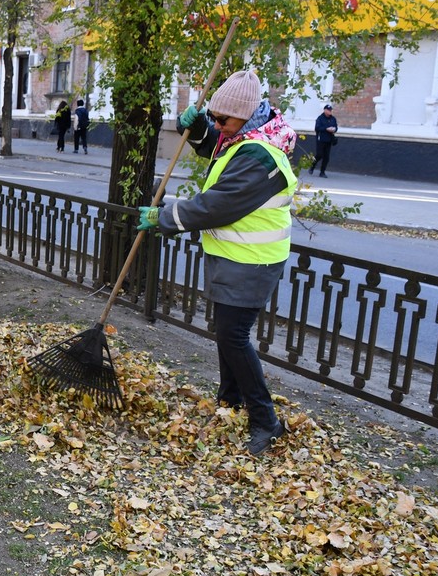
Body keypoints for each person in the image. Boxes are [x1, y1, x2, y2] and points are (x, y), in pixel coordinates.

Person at [138, 70, 298, 456]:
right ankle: (230, 402)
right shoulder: (245, 139)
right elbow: (220, 150)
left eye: (222, 120)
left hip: (253, 261)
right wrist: (196, 131)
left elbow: (218, 204)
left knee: (233, 335)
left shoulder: (262, 156)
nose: (218, 126)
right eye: (214, 118)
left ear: (244, 116)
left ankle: (266, 421)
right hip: (235, 258)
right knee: (227, 332)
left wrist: (163, 217)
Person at [311, 103, 338, 177]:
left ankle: (322, 172)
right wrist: (326, 129)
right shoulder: (320, 118)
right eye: (328, 110)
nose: (330, 111)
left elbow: (336, 127)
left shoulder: (333, 118)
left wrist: (334, 129)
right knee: (319, 155)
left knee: (326, 157)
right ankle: (312, 166)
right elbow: (317, 128)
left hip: (329, 140)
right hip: (321, 139)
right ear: (325, 110)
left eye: (330, 110)